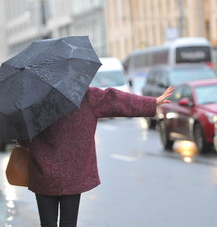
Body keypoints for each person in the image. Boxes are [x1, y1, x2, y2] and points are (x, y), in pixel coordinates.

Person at [17, 86, 174, 227]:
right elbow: (117, 101)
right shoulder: (85, 96)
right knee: (69, 223)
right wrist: (152, 102)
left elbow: (23, 140)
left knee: (47, 223)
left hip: (43, 173)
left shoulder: (33, 102)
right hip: (74, 173)